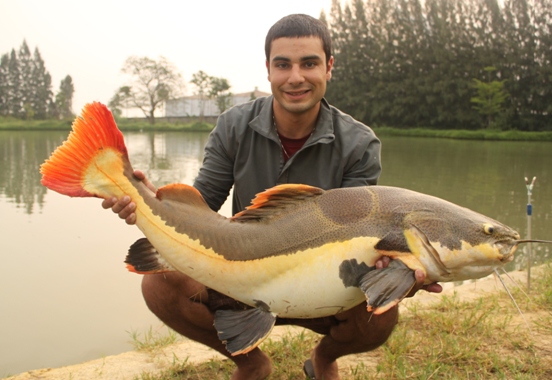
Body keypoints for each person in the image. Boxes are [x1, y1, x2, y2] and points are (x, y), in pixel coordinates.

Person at [103, 14, 442, 380]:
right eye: (283, 65)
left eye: (309, 63)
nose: (296, 77)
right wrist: (148, 200)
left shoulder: (359, 144)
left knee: (381, 315)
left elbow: (366, 233)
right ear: (268, 70)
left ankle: (324, 359)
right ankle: (252, 363)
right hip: (241, 280)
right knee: (158, 283)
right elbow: (202, 204)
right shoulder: (232, 126)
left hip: (327, 287)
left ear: (329, 67)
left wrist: (398, 272)